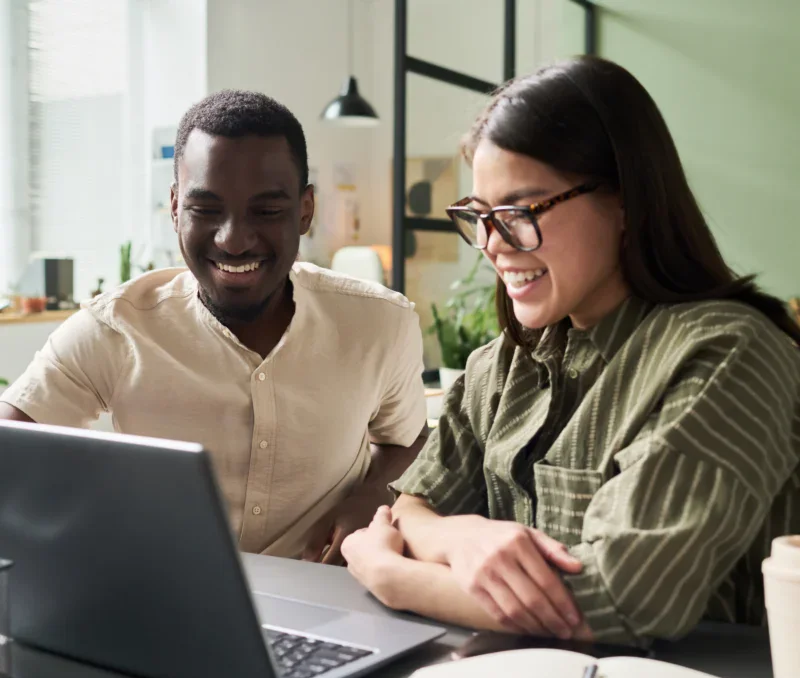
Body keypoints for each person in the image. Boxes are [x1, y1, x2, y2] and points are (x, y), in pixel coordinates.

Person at [342, 56, 800, 646]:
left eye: (519, 213)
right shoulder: (501, 364)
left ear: (626, 202)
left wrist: (392, 576)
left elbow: (624, 600)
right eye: (480, 217)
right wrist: (460, 538)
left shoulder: (728, 354)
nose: (491, 245)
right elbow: (407, 511)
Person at [0, 90, 428, 562]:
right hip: (165, 600)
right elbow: (11, 448)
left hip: (332, 597)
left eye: (266, 212)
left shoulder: (380, 323)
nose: (234, 240)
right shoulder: (116, 328)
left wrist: (374, 494)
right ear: (175, 206)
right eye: (205, 209)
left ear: (305, 210)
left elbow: (407, 438)